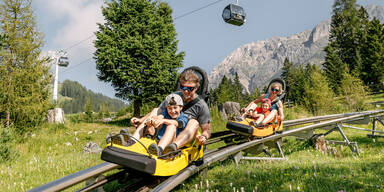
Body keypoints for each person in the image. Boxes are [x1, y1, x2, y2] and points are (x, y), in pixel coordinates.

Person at [130, 69, 211, 154]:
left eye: (190, 88)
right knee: (156, 110)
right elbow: (159, 112)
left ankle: (173, 147)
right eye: (183, 87)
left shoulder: (201, 105)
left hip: (185, 137)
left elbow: (207, 130)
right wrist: (141, 120)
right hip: (165, 133)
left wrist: (203, 137)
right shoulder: (174, 97)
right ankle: (132, 141)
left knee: (193, 122)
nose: (186, 91)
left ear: (196, 88)